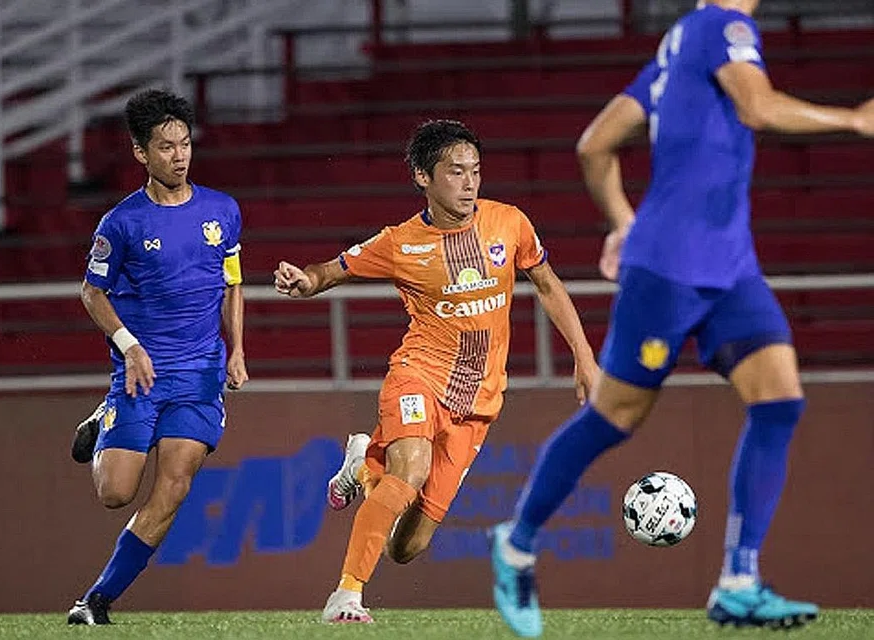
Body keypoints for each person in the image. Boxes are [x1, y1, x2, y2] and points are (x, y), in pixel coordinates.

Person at [488, 0, 874, 636]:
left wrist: (622, 223)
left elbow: (594, 146)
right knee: (615, 416)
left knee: (779, 400)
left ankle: (739, 582)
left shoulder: (678, 45)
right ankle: (517, 542)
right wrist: (854, 120)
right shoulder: (723, 27)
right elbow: (758, 107)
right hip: (669, 265)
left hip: (728, 266)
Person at [273, 119, 599, 624]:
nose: (469, 184)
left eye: (475, 172)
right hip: (418, 376)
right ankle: (346, 595)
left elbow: (549, 284)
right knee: (409, 472)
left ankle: (362, 464)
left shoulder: (509, 223)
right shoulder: (402, 243)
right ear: (423, 177)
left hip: (478, 405)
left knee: (407, 547)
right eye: (455, 172)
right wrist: (303, 280)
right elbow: (332, 270)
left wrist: (584, 356)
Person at [66, 89, 248, 625]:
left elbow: (233, 283)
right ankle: (105, 419)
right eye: (166, 147)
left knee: (174, 484)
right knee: (115, 493)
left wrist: (236, 350)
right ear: (141, 153)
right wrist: (130, 346)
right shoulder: (121, 223)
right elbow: (90, 292)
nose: (179, 155)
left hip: (200, 372)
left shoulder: (223, 211)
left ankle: (97, 600)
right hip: (140, 371)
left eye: (185, 144)